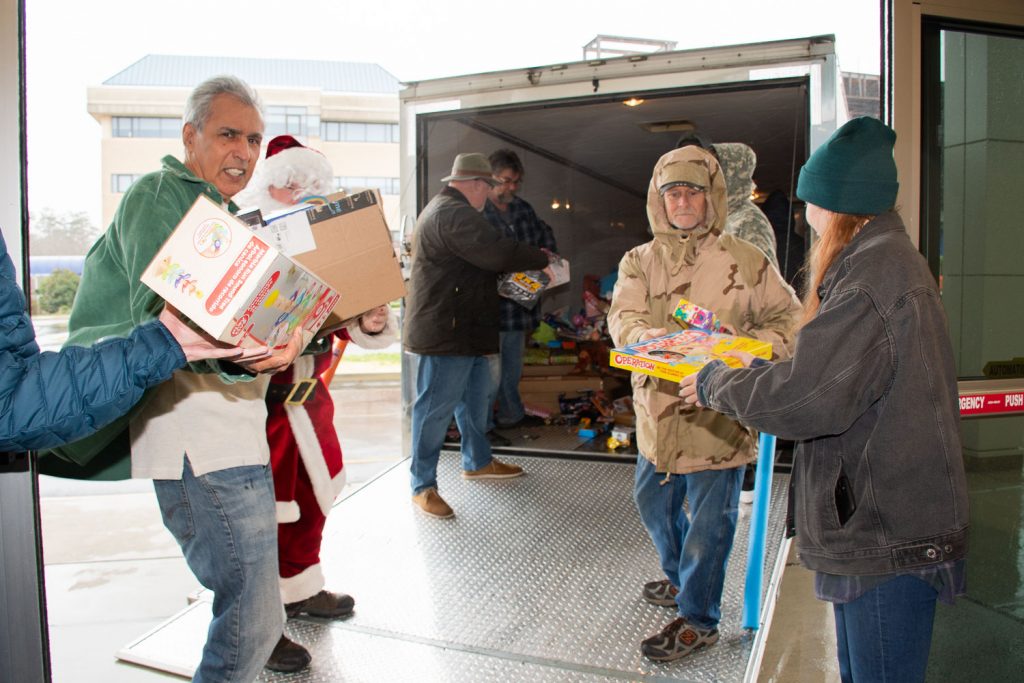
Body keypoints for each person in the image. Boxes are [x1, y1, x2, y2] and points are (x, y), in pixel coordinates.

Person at [680, 117, 968, 683]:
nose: (805, 217)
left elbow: (810, 399)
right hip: (881, 517)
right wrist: (757, 367)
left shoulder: (870, 278)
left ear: (837, 206)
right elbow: (832, 372)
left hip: (886, 533)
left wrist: (717, 381)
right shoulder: (879, 260)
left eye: (812, 204)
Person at [63, 75, 303, 683]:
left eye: (253, 139)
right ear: (190, 136)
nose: (245, 153)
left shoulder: (223, 214)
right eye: (228, 135)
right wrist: (252, 344)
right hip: (196, 433)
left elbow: (248, 317)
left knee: (256, 611)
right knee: (252, 611)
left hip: (228, 427)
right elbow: (178, 314)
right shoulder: (161, 195)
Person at [607, 145, 801, 662]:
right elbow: (622, 320)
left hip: (719, 419)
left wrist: (736, 350)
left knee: (709, 526)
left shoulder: (746, 259)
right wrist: (651, 340)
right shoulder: (638, 261)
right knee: (653, 505)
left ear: (712, 196)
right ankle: (680, 580)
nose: (683, 199)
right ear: (659, 198)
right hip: (657, 417)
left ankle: (698, 619)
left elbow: (790, 323)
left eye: (694, 189)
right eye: (673, 190)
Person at [235, 134, 398, 672]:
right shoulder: (244, 235)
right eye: (290, 183)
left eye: (310, 185)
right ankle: (262, 629)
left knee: (311, 504)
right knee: (257, 521)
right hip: (256, 404)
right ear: (269, 184)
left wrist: (371, 317)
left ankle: (302, 588)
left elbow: (351, 311)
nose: (300, 193)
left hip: (310, 399)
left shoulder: (328, 236)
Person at [0, 232, 260, 452]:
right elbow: (11, 402)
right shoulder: (156, 195)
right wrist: (157, 346)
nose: (245, 168)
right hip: (197, 432)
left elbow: (17, 377)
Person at [404, 152, 550, 519]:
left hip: (464, 329)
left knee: (473, 402)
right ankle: (422, 485)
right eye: (489, 185)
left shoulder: (449, 211)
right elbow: (497, 252)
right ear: (476, 184)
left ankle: (478, 461)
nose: (490, 194)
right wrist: (539, 257)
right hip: (446, 334)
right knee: (434, 409)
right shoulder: (454, 214)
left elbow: (476, 265)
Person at [484, 148, 558, 441]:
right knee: (489, 375)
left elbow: (545, 236)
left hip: (520, 309)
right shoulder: (479, 213)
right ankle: (484, 427)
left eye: (516, 182)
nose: (511, 188)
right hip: (491, 310)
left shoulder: (523, 209)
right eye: (505, 181)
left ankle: (511, 416)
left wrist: (547, 256)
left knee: (512, 370)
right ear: (490, 178)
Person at [709, 142, 778, 267]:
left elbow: (763, 280)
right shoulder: (723, 218)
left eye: (713, 170)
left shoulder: (750, 222)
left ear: (730, 174)